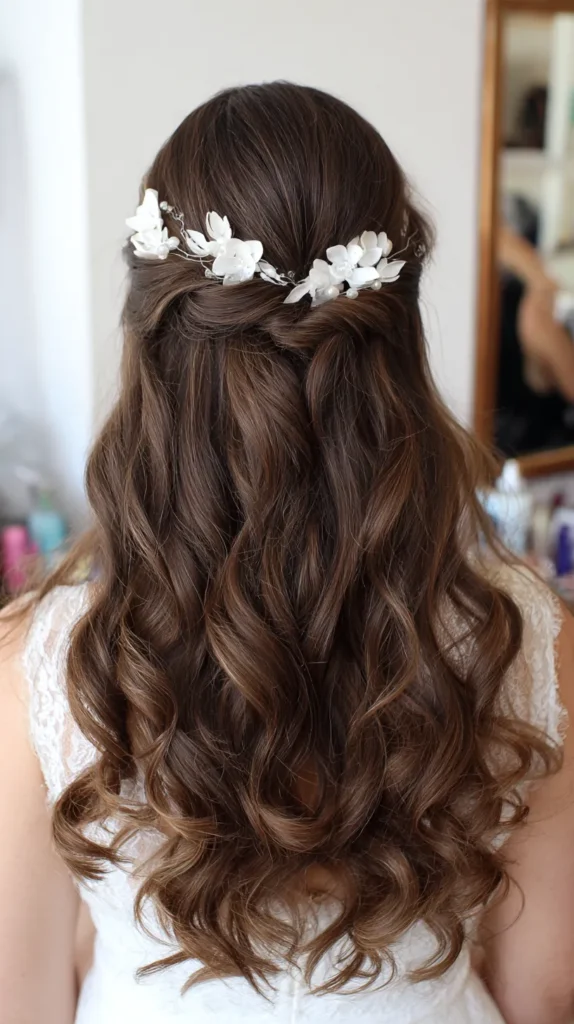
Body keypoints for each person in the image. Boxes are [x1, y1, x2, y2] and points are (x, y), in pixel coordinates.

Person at [1, 82, 574, 1024]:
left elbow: (21, 1001)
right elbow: (541, 994)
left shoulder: (43, 663)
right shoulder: (526, 640)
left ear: (154, 336)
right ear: (398, 333)